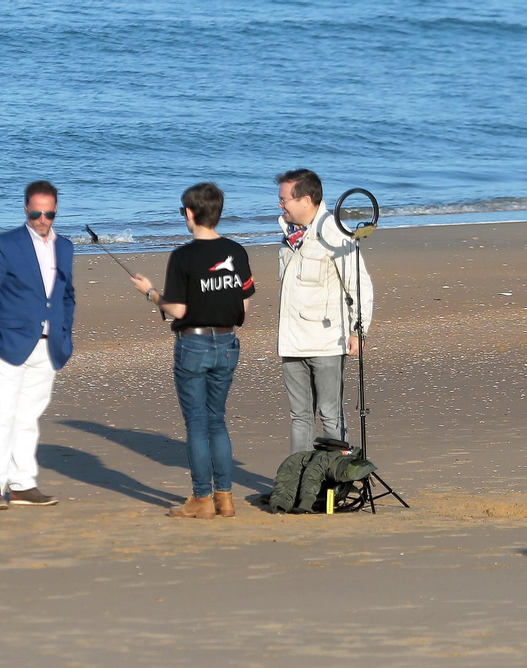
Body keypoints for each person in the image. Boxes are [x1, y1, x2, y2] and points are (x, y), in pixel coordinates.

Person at [130, 183, 255, 519]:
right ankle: (224, 496)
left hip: (195, 343)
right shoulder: (236, 251)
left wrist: (150, 293)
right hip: (227, 341)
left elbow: (178, 310)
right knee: (216, 419)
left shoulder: (184, 256)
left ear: (189, 213)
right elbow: (244, 304)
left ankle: (203, 497)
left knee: (199, 422)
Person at [0, 180, 76, 510]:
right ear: (26, 209)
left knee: (29, 415)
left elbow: (66, 295)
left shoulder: (66, 246)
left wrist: (65, 334)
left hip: (48, 345)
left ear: (56, 211)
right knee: (2, 414)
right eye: (36, 212)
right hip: (9, 342)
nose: (42, 219)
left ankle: (23, 482)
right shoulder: (6, 244)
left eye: (49, 213)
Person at [273, 169, 373, 456]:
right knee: (300, 417)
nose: (281, 206)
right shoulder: (288, 234)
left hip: (327, 341)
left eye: (284, 200)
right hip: (292, 341)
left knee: (330, 413)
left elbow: (359, 284)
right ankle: (299, 482)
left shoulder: (334, 232)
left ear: (306, 200)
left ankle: (334, 485)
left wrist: (358, 330)